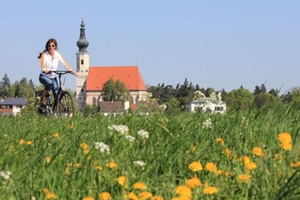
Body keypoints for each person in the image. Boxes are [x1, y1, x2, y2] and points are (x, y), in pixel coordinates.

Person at [37, 38, 74, 106]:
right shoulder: (44, 54)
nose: (51, 47)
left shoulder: (57, 54)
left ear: (55, 47)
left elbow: (64, 63)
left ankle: (56, 111)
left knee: (57, 94)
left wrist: (70, 69)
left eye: (53, 45)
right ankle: (43, 97)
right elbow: (42, 64)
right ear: (47, 47)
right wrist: (45, 70)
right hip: (44, 76)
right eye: (49, 45)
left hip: (53, 77)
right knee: (50, 84)